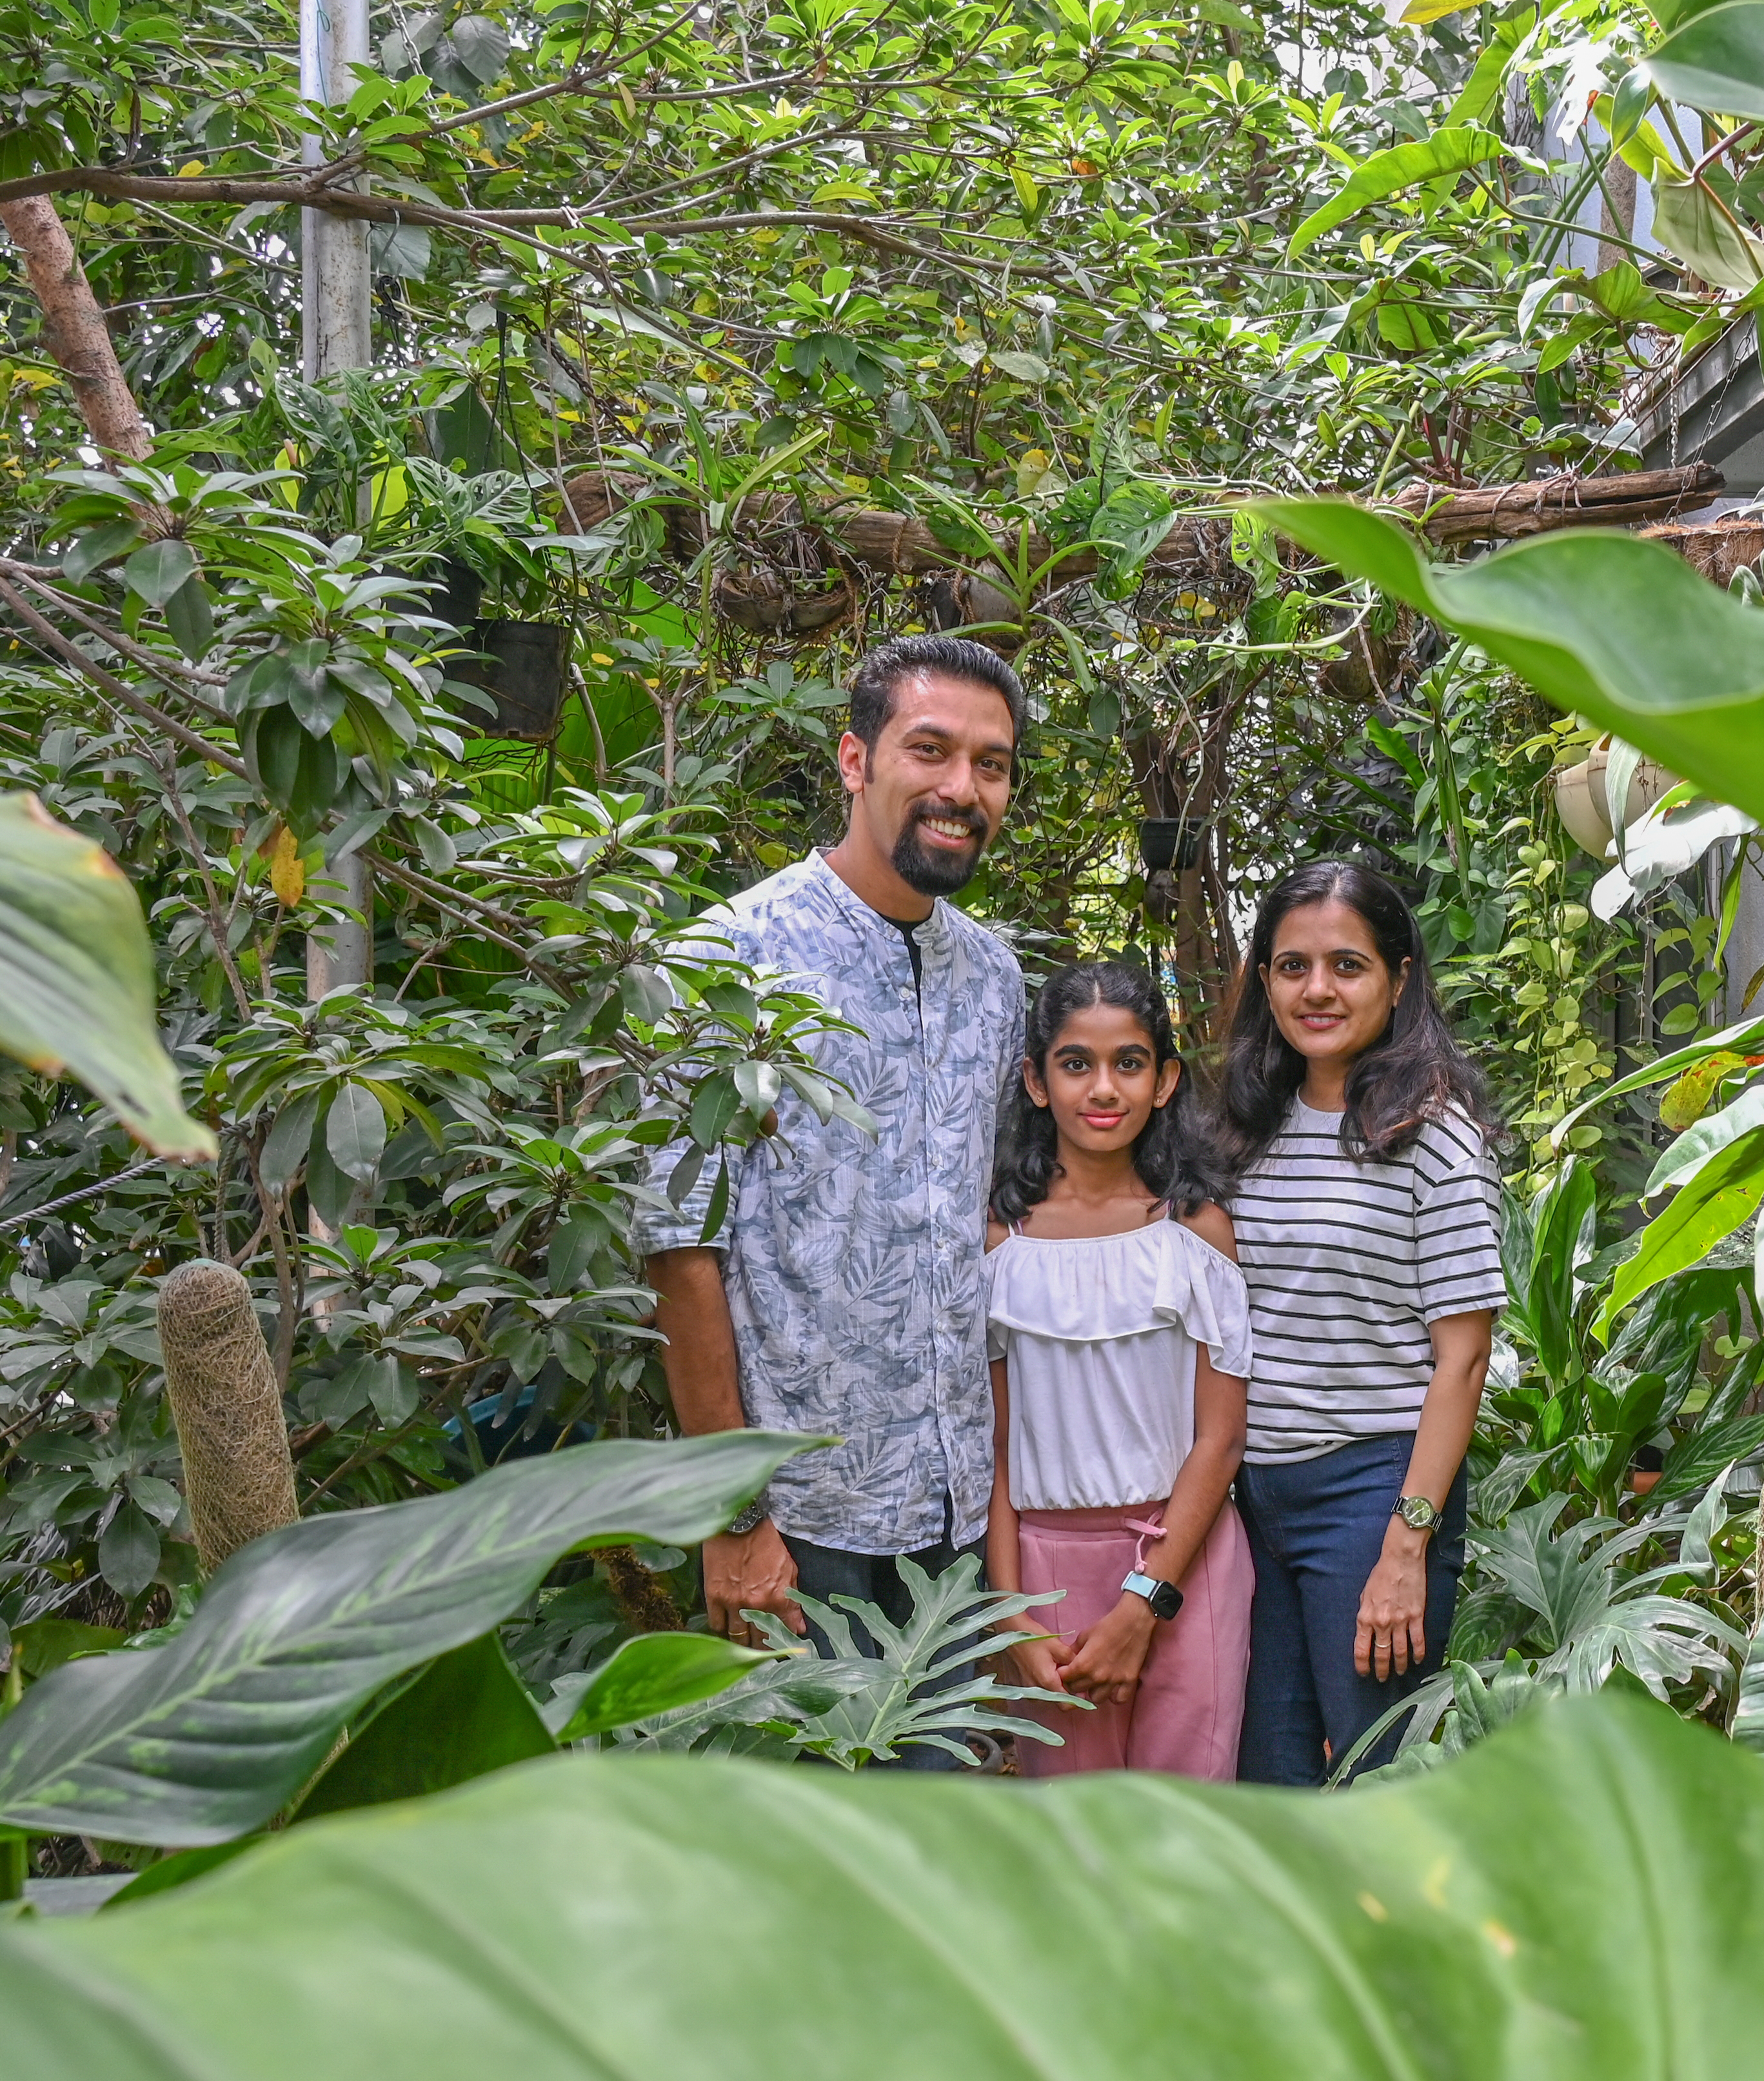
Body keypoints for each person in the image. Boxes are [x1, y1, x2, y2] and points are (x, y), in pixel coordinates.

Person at [640, 635, 1027, 1767]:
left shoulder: (995, 978)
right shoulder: (726, 960)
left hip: (952, 1518)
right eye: (931, 750)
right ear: (854, 759)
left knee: (935, 1871)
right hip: (798, 1526)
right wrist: (733, 1519)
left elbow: (980, 1222)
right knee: (810, 1885)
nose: (963, 789)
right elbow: (677, 1249)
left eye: (992, 766)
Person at [1220, 861, 1503, 1785]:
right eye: (1292, 965)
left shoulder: (1435, 1134)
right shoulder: (1246, 1125)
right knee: (1274, 1779)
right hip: (1254, 1500)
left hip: (1372, 1491)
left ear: (1399, 977)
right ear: (1264, 979)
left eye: (1347, 965)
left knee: (1383, 1782)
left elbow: (1462, 1361)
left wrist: (1405, 1542)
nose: (1317, 989)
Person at [982, 961, 1251, 1778]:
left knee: (1185, 1834)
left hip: (1183, 1563)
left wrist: (1147, 1601)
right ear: (1036, 1081)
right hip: (1042, 1577)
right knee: (1072, 1849)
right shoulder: (1002, 1241)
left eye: (1129, 1062)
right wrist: (1008, 1613)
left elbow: (1221, 1439)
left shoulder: (1196, 1228)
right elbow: (990, 1447)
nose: (1104, 1088)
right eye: (1076, 1063)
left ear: (1166, 1080)